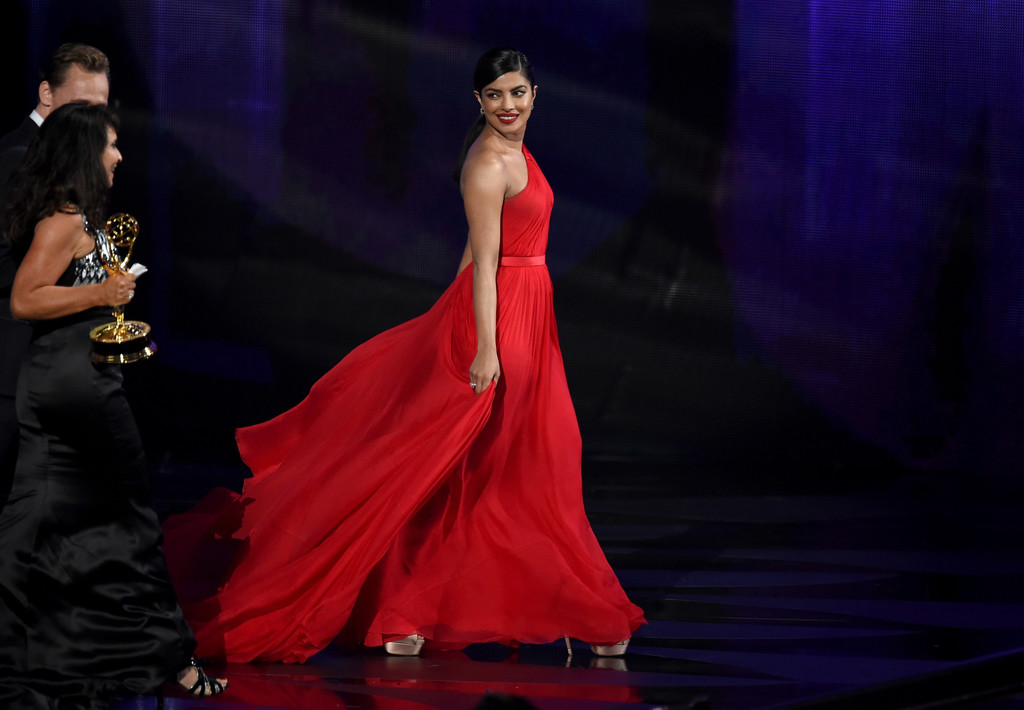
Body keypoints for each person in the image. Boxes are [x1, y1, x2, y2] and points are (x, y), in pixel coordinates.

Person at [162, 47, 645, 663]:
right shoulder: (487, 163)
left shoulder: (518, 153)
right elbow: (486, 265)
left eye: (517, 92)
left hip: (524, 314)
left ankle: (432, 610)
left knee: (502, 467)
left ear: (534, 95)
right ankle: (480, 610)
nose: (508, 105)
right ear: (478, 101)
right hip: (504, 322)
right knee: (498, 467)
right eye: (495, 95)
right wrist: (483, 347)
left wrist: (449, 323)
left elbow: (473, 256)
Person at [0, 103, 227, 706]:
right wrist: (102, 292)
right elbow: (24, 299)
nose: (120, 155)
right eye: (110, 145)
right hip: (71, 387)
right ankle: (170, 657)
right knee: (125, 519)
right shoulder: (64, 218)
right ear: (84, 152)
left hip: (77, 378)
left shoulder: (81, 214)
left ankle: (50, 651)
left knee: (54, 522)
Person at [0, 43, 111, 505]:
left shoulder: (66, 162)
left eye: (100, 109)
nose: (92, 120)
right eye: (81, 105)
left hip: (45, 367)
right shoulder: (19, 158)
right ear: (46, 94)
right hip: (11, 362)